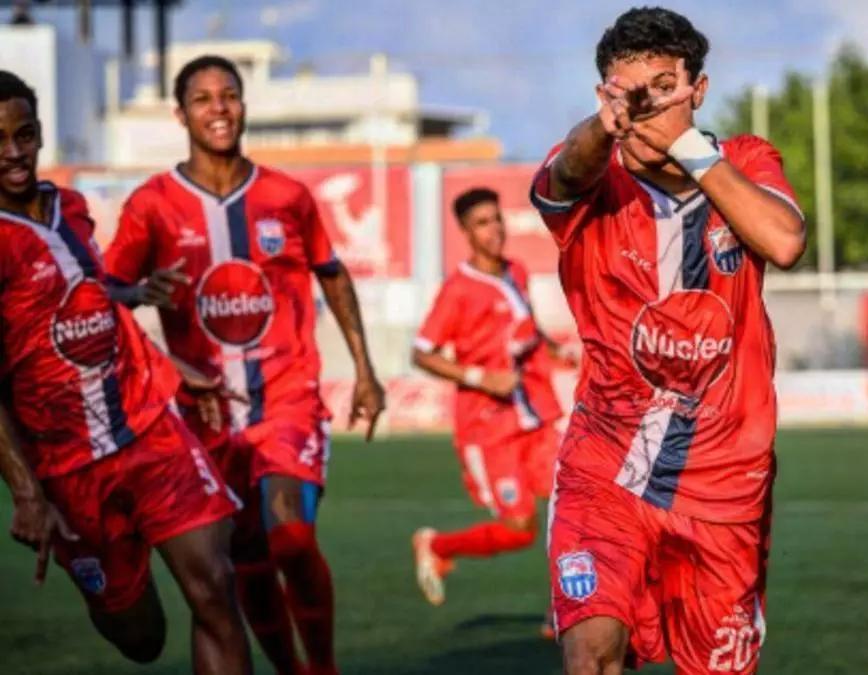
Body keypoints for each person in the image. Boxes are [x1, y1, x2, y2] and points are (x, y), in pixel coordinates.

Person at [530, 7, 806, 673]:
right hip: (605, 469)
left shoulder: (746, 161)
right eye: (626, 92)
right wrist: (602, 127)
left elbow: (784, 241)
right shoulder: (591, 178)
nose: (644, 106)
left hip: (725, 482)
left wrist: (688, 147)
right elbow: (566, 174)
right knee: (592, 654)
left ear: (698, 91)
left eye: (662, 87)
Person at [104, 55, 386, 675]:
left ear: (244, 105)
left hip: (285, 398)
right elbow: (106, 293)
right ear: (180, 115)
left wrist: (365, 371)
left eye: (229, 95)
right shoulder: (152, 205)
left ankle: (323, 668)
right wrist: (146, 307)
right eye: (202, 98)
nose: (219, 108)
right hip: (204, 416)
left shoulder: (287, 196)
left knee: (292, 537)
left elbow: (332, 273)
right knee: (245, 563)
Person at [0, 70, 251, 674]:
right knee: (141, 638)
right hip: (68, 468)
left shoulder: (70, 207)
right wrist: (26, 491)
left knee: (215, 588)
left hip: (148, 429)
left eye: (23, 135)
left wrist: (139, 304)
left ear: (40, 134)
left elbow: (84, 290)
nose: (12, 152)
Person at [410, 187, 573, 635]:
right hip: (488, 426)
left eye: (496, 218)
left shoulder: (516, 271)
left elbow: (528, 328)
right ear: (465, 232)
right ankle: (438, 546)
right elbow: (421, 353)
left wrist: (558, 350)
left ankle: (564, 606)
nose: (494, 229)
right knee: (520, 528)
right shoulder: (458, 290)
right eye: (482, 223)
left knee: (573, 504)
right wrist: (483, 378)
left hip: (535, 414)